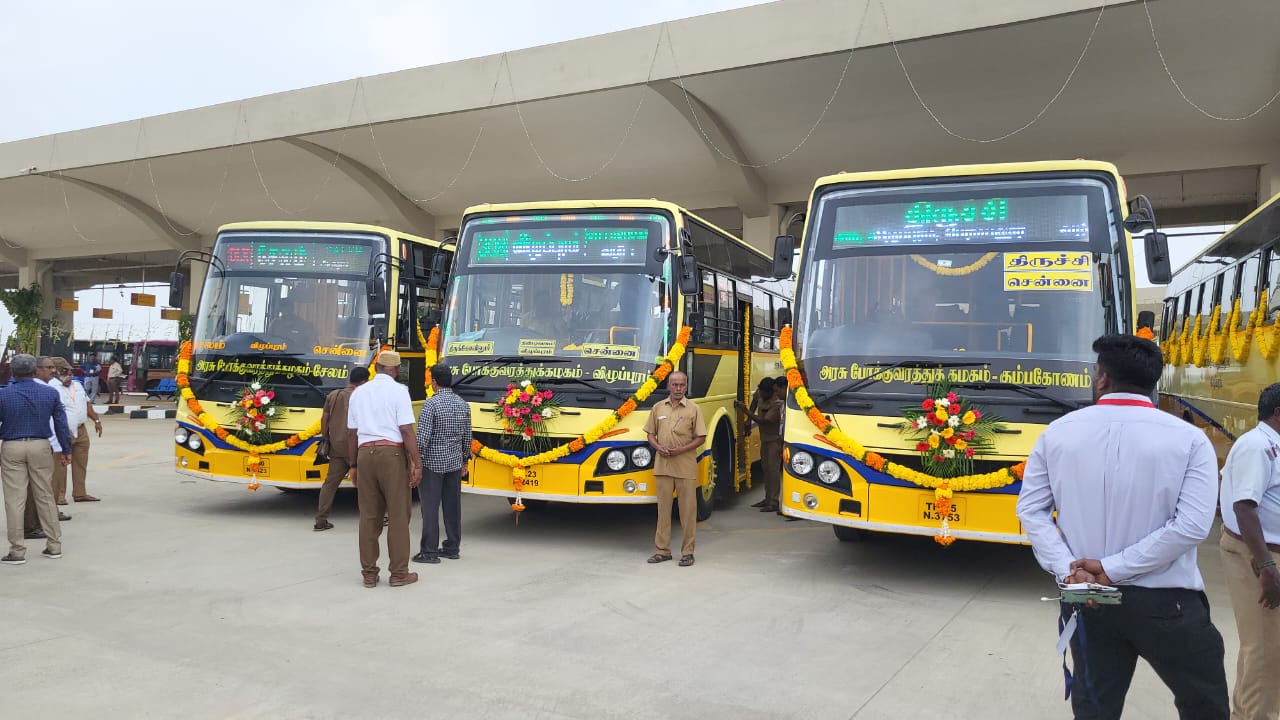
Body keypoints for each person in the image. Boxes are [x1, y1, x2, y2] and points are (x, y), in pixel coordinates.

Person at [1015, 334, 1227, 720]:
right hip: (1168, 606)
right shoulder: (1189, 440)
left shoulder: (1057, 433)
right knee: (1204, 705)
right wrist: (1114, 568)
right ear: (1153, 382)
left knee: (1096, 708)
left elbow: (1031, 511)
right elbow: (1193, 526)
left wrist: (1070, 570)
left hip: (1088, 599)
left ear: (1102, 378)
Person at [1218, 382, 1280, 720]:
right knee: (1268, 650)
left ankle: (1244, 713)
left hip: (1262, 555)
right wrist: (1267, 567)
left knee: (1262, 645)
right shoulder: (1257, 446)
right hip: (1258, 557)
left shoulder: (1269, 444)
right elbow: (1244, 507)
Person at [346, 351, 421, 588]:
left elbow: (351, 433)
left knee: (368, 515)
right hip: (392, 454)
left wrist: (353, 465)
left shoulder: (359, 393)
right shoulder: (399, 391)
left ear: (376, 367)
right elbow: (407, 430)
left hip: (364, 454)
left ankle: (369, 573)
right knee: (398, 515)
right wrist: (417, 462)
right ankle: (399, 573)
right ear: (396, 369)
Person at [1, 354, 74, 566]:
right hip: (41, 446)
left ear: (13, 372)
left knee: (15, 499)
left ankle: (16, 551)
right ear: (34, 371)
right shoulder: (50, 393)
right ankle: (54, 545)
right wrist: (67, 449)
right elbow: (61, 424)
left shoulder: (4, 395)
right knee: (44, 494)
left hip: (12, 446)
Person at [644, 371, 707, 567]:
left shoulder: (693, 409)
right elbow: (650, 434)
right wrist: (657, 447)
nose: (678, 388)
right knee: (663, 511)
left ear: (686, 387)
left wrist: (681, 450)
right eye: (675, 385)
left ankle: (688, 552)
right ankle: (662, 551)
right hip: (662, 466)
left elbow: (701, 437)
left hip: (685, 467)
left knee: (687, 512)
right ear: (669, 386)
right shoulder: (657, 408)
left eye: (682, 385)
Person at [414, 363, 472, 564]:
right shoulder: (462, 404)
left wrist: (415, 460)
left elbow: (421, 438)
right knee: (452, 506)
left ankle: (429, 551)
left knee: (430, 508)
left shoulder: (431, 404)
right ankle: (452, 547)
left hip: (432, 463)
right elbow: (467, 438)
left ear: (434, 382)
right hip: (455, 462)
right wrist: (465, 459)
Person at [313, 366, 369, 531]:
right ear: (364, 382)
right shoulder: (364, 396)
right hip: (358, 447)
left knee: (330, 484)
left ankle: (321, 520)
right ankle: (377, 517)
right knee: (367, 484)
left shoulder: (334, 395)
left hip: (336, 447)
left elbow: (324, 419)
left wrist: (326, 437)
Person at [52, 357, 102, 504]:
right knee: (60, 465)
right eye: (64, 373)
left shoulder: (78, 386)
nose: (69, 376)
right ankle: (59, 496)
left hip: (81, 430)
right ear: (56, 373)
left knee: (81, 463)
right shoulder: (52, 387)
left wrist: (97, 420)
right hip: (63, 432)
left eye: (70, 373)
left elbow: (87, 405)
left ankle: (80, 493)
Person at [736, 377, 782, 512]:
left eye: (763, 393)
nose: (760, 394)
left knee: (773, 471)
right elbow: (755, 401)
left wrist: (745, 411)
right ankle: (767, 498)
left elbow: (763, 421)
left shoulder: (776, 402)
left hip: (774, 440)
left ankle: (773, 501)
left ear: (770, 392)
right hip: (764, 439)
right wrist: (748, 421)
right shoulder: (761, 392)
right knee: (766, 469)